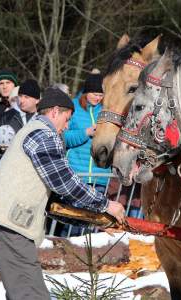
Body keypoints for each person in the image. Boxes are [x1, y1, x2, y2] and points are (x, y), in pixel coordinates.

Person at [0, 87, 125, 300]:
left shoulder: (36, 131)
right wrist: (106, 204)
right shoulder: (42, 134)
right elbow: (64, 182)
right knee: (32, 296)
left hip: (8, 227)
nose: (67, 127)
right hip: (9, 228)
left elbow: (55, 203)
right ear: (55, 112)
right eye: (67, 119)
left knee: (21, 294)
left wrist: (98, 220)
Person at [61, 74, 110, 236]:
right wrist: (86, 132)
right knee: (73, 223)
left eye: (101, 94)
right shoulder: (73, 108)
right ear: (86, 92)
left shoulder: (107, 110)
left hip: (99, 175)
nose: (98, 98)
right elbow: (64, 138)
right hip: (76, 174)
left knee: (93, 223)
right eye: (94, 94)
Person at [0, 79, 40, 147]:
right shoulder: (5, 117)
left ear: (37, 100)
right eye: (20, 96)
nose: (21, 100)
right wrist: (1, 153)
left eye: (26, 97)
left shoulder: (42, 119)